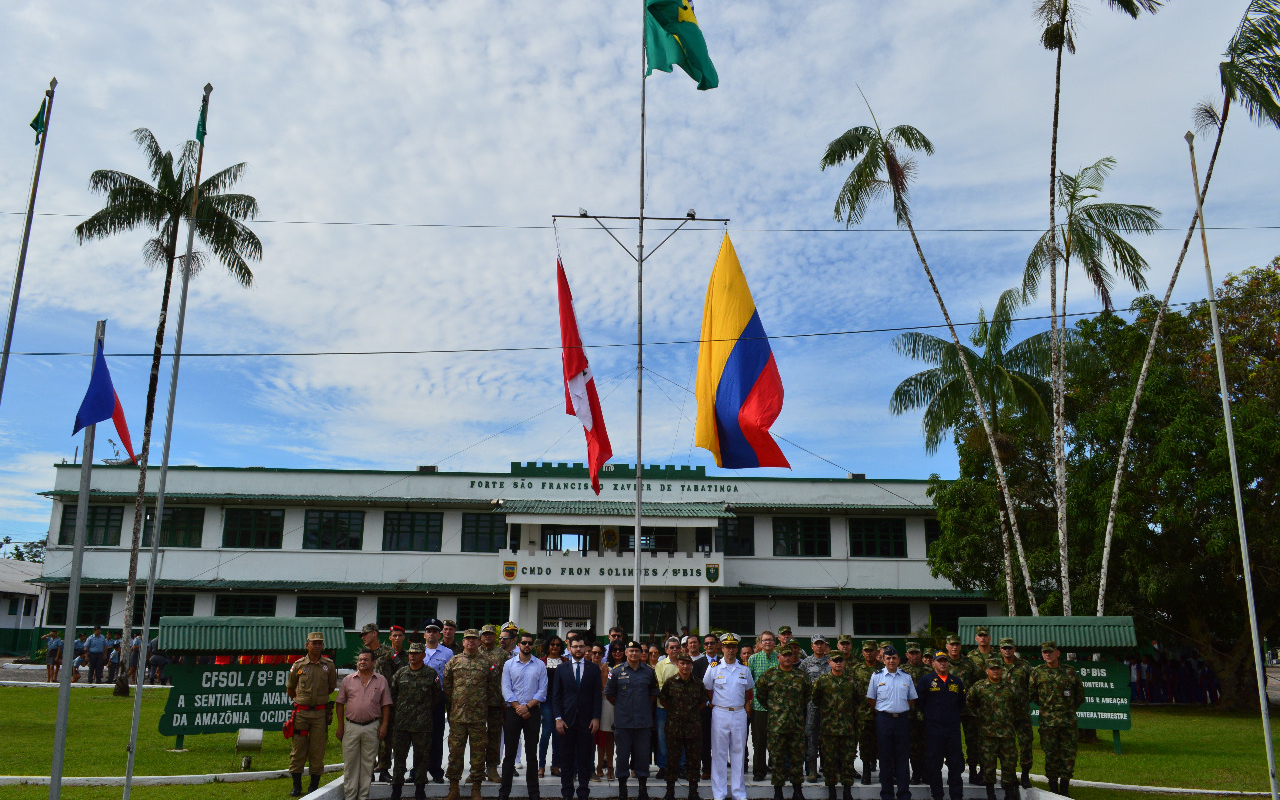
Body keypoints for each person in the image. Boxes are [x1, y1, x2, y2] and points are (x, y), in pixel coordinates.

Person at [444, 629, 497, 800]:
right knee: (455, 753)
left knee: (478, 753)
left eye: (474, 639)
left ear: (479, 641)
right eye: (468, 639)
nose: (471, 642)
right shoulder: (454, 661)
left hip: (478, 717)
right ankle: (453, 789)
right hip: (457, 717)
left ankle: (476, 789)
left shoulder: (486, 662)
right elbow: (448, 685)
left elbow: (492, 687)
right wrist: (456, 703)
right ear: (463, 641)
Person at [755, 641, 811, 800]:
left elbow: (807, 696)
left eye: (790, 655)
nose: (787, 658)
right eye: (784, 655)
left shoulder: (801, 676)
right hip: (776, 726)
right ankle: (778, 790)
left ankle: (797, 789)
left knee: (796, 759)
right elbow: (761, 695)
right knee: (777, 760)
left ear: (794, 657)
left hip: (796, 726)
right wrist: (774, 710)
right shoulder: (769, 675)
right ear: (778, 657)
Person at [1028, 642, 1085, 797]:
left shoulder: (1069, 672)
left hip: (1068, 723)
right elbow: (1032, 694)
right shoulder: (1038, 672)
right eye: (1045, 652)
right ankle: (1053, 789)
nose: (1048, 654)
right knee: (1051, 755)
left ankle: (1065, 788)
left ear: (1057, 653)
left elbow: (1079, 695)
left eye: (1050, 652)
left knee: (1068, 755)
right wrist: (1047, 708)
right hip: (1048, 723)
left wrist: (1067, 709)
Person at [606, 640, 660, 800]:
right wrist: (623, 706)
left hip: (643, 722)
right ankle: (623, 789)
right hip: (623, 722)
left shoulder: (649, 671)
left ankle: (642, 789)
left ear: (641, 653)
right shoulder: (616, 671)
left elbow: (653, 693)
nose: (634, 654)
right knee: (622, 755)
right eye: (631, 651)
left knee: (643, 755)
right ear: (626, 653)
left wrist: (642, 706)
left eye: (637, 651)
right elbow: (609, 694)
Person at [287, 631, 339, 797]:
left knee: (317, 749)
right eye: (313, 643)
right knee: (298, 749)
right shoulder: (299, 665)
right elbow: (290, 688)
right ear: (307, 645)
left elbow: (331, 688)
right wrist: (301, 701)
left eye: (319, 643)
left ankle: (313, 785)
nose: (316, 646)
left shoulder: (329, 665)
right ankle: (296, 785)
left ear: (323, 645)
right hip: (301, 714)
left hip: (319, 714)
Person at [337, 649, 393, 800]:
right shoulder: (348, 680)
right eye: (360, 659)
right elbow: (340, 703)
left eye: (366, 660)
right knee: (350, 765)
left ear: (373, 662)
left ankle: (363, 797)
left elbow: (386, 705)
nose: (362, 662)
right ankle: (350, 797)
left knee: (367, 766)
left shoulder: (381, 680)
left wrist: (384, 725)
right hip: (351, 727)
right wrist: (340, 725)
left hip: (372, 727)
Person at [553, 632, 602, 800]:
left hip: (587, 722)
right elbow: (556, 696)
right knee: (566, 760)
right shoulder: (561, 669)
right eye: (575, 646)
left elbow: (597, 695)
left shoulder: (593, 668)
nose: (579, 649)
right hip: (566, 721)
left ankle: (583, 793)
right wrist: (558, 718)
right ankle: (567, 793)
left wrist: (596, 717)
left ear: (585, 648)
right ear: (569, 648)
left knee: (585, 759)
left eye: (581, 646)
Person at [390, 642, 442, 800]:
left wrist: (422, 711)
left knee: (421, 758)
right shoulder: (400, 674)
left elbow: (436, 697)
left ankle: (420, 789)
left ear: (423, 656)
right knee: (399, 757)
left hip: (422, 724)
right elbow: (393, 695)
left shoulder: (431, 674)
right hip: (402, 724)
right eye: (411, 653)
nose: (412, 655)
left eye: (416, 653)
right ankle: (396, 789)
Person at [704, 633, 752, 800]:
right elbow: (708, 689)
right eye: (727, 646)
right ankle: (720, 793)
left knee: (738, 753)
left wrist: (745, 707)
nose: (730, 650)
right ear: (721, 648)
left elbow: (748, 691)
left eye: (733, 647)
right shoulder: (714, 667)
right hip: (720, 712)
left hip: (739, 713)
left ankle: (739, 793)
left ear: (737, 649)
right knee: (719, 754)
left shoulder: (744, 669)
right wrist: (716, 703)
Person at [501, 631, 548, 800]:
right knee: (510, 754)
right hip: (513, 712)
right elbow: (506, 689)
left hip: (532, 712)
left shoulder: (540, 665)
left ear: (532, 646)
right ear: (518, 644)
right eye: (524, 643)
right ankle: (504, 793)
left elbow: (543, 690)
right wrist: (518, 707)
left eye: (530, 643)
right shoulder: (509, 664)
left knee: (531, 754)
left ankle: (534, 793)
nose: (527, 645)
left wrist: (527, 707)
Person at [865, 646, 916, 800]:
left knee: (902, 757)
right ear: (883, 660)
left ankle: (903, 793)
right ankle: (887, 793)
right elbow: (871, 699)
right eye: (888, 658)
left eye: (894, 658)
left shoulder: (906, 677)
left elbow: (912, 699)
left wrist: (899, 709)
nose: (891, 661)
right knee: (885, 758)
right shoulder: (877, 676)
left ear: (899, 660)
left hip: (902, 720)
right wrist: (885, 710)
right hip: (884, 720)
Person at [915, 651, 965, 800]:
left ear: (948, 663)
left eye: (945, 661)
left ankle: (956, 795)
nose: (942, 663)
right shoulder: (926, 681)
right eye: (939, 661)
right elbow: (920, 702)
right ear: (933, 663)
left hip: (952, 730)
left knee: (955, 764)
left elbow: (961, 703)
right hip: (934, 730)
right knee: (934, 764)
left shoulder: (956, 681)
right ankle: (937, 795)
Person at [965, 658, 1017, 800]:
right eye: (992, 668)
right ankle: (990, 794)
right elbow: (969, 702)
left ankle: (1009, 793)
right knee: (988, 765)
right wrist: (979, 716)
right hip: (987, 733)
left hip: (1007, 734)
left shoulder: (1010, 688)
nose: (995, 671)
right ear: (987, 670)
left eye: (998, 668)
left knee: (1009, 764)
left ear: (1002, 670)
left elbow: (1018, 706)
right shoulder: (979, 687)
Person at [811, 652, 858, 800]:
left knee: (847, 760)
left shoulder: (851, 681)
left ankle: (847, 790)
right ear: (829, 662)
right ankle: (831, 790)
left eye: (840, 660)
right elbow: (815, 699)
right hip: (828, 728)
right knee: (829, 761)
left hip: (847, 728)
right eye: (835, 660)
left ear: (844, 663)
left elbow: (858, 700)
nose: (838, 663)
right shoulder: (822, 681)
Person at [661, 652, 705, 800]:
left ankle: (693, 791)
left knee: (693, 761)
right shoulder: (670, 682)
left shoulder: (698, 683)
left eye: (688, 663)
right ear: (678, 664)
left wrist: (689, 714)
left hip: (693, 728)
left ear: (692, 665)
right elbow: (664, 701)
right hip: (674, 728)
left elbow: (702, 702)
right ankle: (670, 791)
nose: (685, 666)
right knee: (672, 761)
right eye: (682, 663)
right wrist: (677, 713)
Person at [996, 638, 1033, 789]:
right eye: (1004, 648)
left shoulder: (1024, 666)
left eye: (1010, 648)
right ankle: (1009, 775)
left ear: (1014, 648)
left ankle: (1025, 775)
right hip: (1004, 715)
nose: (1007, 650)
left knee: (1025, 745)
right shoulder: (996, 666)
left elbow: (1033, 686)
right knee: (1007, 747)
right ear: (1000, 649)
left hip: (1022, 714)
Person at [372, 623, 405, 783]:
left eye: (400, 635)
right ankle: (371, 766)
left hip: (396, 701)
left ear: (403, 638)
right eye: (394, 635)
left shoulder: (407, 655)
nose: (397, 638)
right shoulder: (380, 654)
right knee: (373, 734)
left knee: (389, 736)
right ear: (390, 638)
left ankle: (385, 766)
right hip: (376, 701)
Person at [944, 635, 980, 784]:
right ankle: (953, 772)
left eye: (957, 644)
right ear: (947, 646)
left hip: (968, 709)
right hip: (949, 710)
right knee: (951, 742)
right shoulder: (942, 662)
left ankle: (972, 771)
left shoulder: (969, 663)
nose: (954, 647)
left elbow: (979, 682)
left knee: (972, 741)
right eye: (952, 644)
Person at [422, 619, 454, 784]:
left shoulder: (447, 653)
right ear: (425, 633)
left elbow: (450, 677)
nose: (432, 634)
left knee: (437, 733)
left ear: (439, 633)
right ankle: (417, 769)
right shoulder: (418, 651)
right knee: (419, 735)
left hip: (438, 697)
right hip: (419, 699)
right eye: (429, 631)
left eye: (435, 631)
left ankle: (435, 769)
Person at [482, 624, 511, 782]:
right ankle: (477, 769)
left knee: (494, 737)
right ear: (481, 637)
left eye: (490, 634)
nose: (487, 636)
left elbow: (509, 677)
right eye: (485, 634)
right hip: (477, 703)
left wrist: (507, 700)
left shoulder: (502, 655)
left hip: (496, 702)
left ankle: (492, 768)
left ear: (495, 637)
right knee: (478, 738)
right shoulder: (475, 652)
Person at [799, 636, 831, 783]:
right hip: (812, 706)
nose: (819, 646)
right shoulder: (805, 663)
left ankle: (830, 769)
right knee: (811, 736)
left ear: (825, 646)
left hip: (830, 706)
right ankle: (812, 769)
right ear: (812, 646)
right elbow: (800, 683)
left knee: (829, 737)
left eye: (821, 644)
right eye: (816, 644)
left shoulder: (831, 661)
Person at [747, 630, 778, 782]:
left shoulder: (779, 658)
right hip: (759, 707)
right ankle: (759, 771)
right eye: (765, 640)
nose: (768, 642)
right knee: (759, 741)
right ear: (760, 643)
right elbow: (749, 682)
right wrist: (750, 702)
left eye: (770, 640)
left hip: (778, 708)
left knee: (777, 741)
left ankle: (777, 770)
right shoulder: (753, 659)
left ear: (775, 642)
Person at [851, 641, 881, 785]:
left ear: (877, 652)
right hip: (863, 713)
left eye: (871, 650)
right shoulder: (856, 669)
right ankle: (866, 772)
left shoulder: (884, 669)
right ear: (862, 652)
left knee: (883, 744)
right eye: (866, 650)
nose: (868, 653)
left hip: (882, 713)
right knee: (865, 744)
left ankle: (884, 772)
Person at [654, 637, 682, 780]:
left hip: (683, 708)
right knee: (662, 737)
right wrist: (669, 702)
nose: (675, 650)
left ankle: (681, 766)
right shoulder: (661, 665)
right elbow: (659, 686)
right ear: (666, 650)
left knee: (682, 737)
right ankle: (663, 766)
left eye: (677, 647)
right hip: (663, 707)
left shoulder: (686, 663)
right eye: (672, 647)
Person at [901, 643, 929, 785]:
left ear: (921, 654)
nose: (914, 656)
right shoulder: (901, 671)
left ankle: (926, 773)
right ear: (907, 655)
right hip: (909, 714)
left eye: (916, 653)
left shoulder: (929, 670)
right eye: (911, 653)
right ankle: (916, 773)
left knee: (927, 744)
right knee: (912, 746)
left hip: (926, 714)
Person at [541, 636, 567, 779]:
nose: (555, 647)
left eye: (558, 644)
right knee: (546, 732)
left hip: (562, 701)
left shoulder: (565, 662)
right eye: (552, 644)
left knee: (559, 733)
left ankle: (556, 765)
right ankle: (541, 765)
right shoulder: (541, 662)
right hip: (546, 700)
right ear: (548, 646)